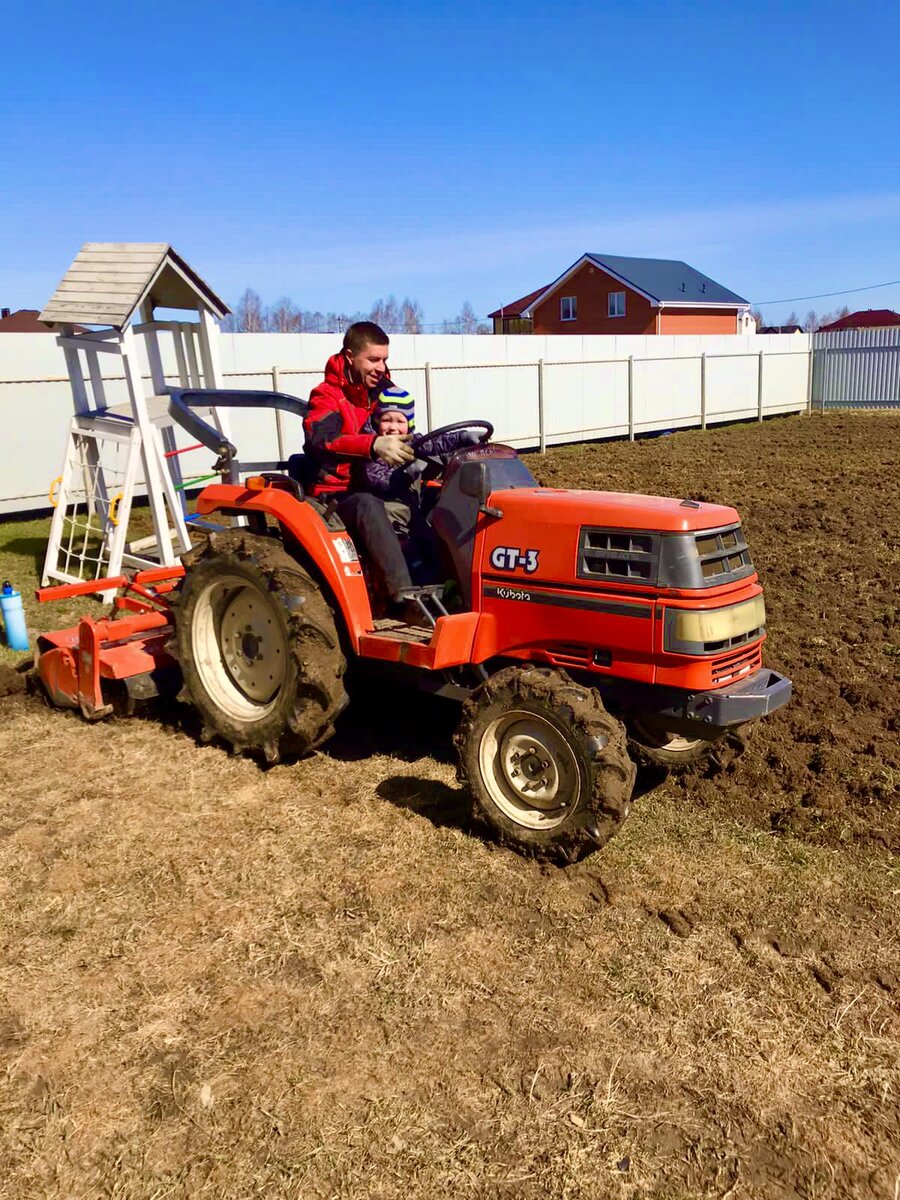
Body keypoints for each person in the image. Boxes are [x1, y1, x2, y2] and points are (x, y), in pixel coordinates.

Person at [302, 322, 419, 614]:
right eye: (373, 359)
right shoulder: (327, 395)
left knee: (433, 496)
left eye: (385, 360)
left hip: (376, 484)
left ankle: (447, 587)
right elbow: (323, 438)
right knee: (367, 505)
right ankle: (404, 601)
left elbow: (405, 422)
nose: (381, 367)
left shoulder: (383, 391)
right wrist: (373, 445)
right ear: (351, 356)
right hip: (338, 496)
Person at [352, 388, 478, 583]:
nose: (393, 427)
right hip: (386, 514)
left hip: (412, 511)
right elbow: (377, 481)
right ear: (377, 420)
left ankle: (450, 586)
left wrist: (463, 437)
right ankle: (411, 592)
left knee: (437, 542)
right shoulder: (373, 447)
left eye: (400, 421)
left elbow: (436, 442)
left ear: (409, 424)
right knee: (411, 552)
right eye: (387, 419)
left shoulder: (411, 441)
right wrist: (408, 473)